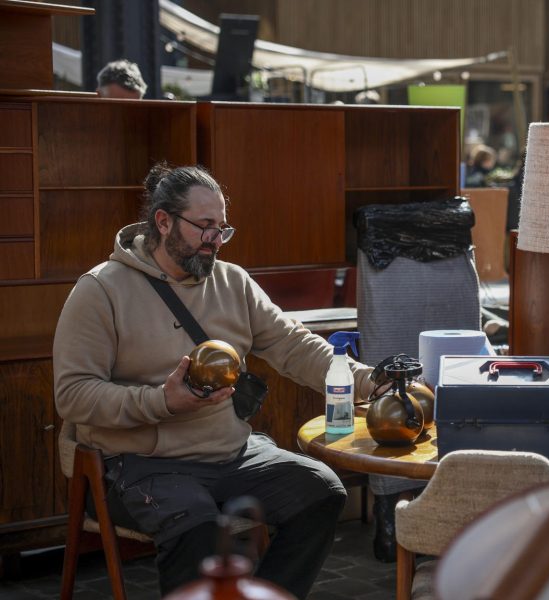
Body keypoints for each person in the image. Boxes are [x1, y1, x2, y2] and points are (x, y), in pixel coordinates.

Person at [53, 163, 374, 598]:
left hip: (230, 452)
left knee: (321, 493)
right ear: (163, 222)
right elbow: (72, 397)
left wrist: (368, 382)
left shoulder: (233, 281)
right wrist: (161, 402)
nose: (215, 241)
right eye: (204, 227)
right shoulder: (100, 290)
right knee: (197, 527)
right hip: (141, 461)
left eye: (222, 229)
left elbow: (293, 345)